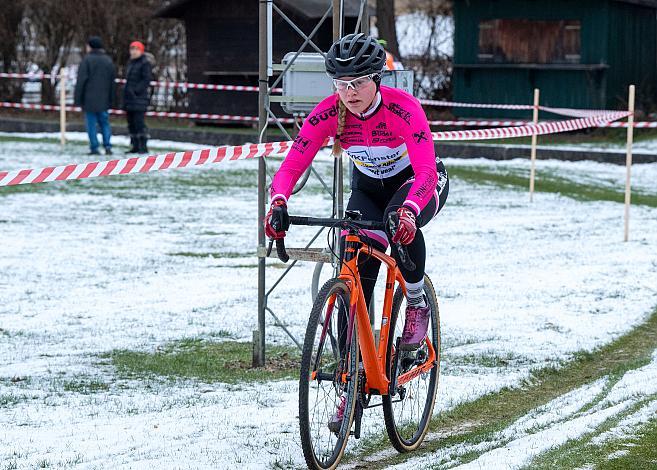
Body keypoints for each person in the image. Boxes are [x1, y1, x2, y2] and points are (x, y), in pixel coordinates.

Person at [265, 33, 448, 400]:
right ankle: (352, 378)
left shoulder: (402, 108)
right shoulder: (328, 113)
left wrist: (410, 210)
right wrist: (278, 202)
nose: (350, 91)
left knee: (398, 224)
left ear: (376, 79)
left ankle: (415, 302)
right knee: (354, 275)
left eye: (359, 82)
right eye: (341, 84)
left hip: (416, 183)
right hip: (368, 188)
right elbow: (292, 164)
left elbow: (426, 169)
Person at [74, 36, 116, 155]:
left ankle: (94, 147)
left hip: (89, 99)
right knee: (105, 123)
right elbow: (112, 81)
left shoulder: (87, 60)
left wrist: (78, 99)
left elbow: (81, 80)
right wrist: (112, 99)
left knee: (91, 125)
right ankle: (107, 145)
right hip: (104, 99)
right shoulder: (108, 61)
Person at [123, 41, 152, 154]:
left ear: (141, 51)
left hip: (139, 99)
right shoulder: (131, 63)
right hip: (129, 99)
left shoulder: (145, 63)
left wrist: (136, 91)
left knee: (139, 123)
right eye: (132, 49)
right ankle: (135, 145)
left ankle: (143, 146)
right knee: (131, 123)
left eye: (136, 49)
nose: (133, 51)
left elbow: (146, 79)